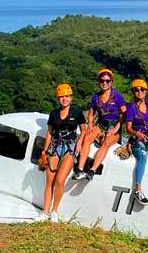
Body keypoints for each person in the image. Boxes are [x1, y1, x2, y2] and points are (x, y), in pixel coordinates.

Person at [36, 83, 86, 222]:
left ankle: (54, 211)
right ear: (58, 99)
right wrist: (44, 151)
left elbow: (83, 130)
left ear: (71, 97)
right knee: (49, 182)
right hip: (54, 147)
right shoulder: (54, 113)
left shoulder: (77, 113)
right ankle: (45, 212)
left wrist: (79, 143)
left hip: (69, 148)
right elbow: (50, 133)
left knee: (60, 180)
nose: (64, 99)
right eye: (61, 97)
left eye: (67, 96)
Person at [73, 68, 127, 181]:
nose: (105, 83)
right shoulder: (95, 97)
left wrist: (116, 129)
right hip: (101, 125)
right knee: (87, 139)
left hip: (113, 126)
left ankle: (92, 170)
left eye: (107, 81)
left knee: (106, 143)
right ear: (99, 81)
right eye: (102, 80)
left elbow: (124, 113)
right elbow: (91, 113)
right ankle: (80, 169)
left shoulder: (117, 96)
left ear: (111, 82)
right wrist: (91, 126)